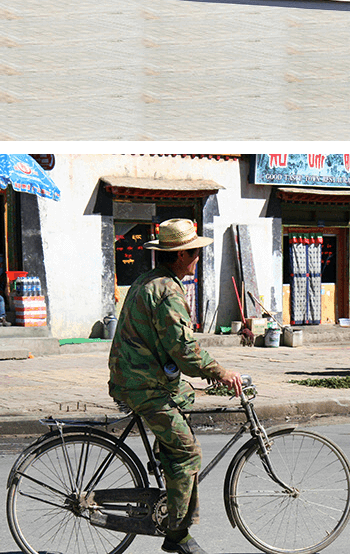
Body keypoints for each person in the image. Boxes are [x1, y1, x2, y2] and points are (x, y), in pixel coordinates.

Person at [109, 219, 243, 554]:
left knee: (185, 397)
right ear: (182, 256)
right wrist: (220, 371)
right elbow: (184, 351)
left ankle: (164, 462)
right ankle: (177, 535)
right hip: (143, 383)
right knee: (187, 452)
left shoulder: (149, 280)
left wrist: (205, 373)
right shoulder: (168, 292)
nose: (198, 258)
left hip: (142, 375)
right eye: (195, 253)